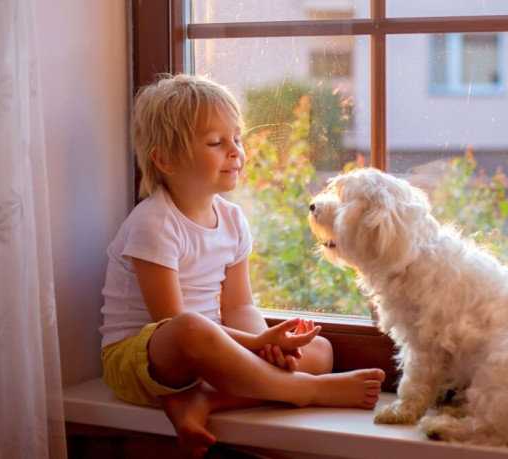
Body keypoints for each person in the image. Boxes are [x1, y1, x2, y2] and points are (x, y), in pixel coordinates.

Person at [99, 73, 385, 458]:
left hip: (210, 351)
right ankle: (308, 391)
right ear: (165, 159)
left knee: (320, 352)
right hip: (147, 359)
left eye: (237, 139)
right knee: (191, 328)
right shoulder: (154, 223)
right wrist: (257, 343)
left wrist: (269, 350)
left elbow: (239, 307)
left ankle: (204, 402)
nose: (235, 151)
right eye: (216, 143)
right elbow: (169, 322)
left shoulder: (232, 220)